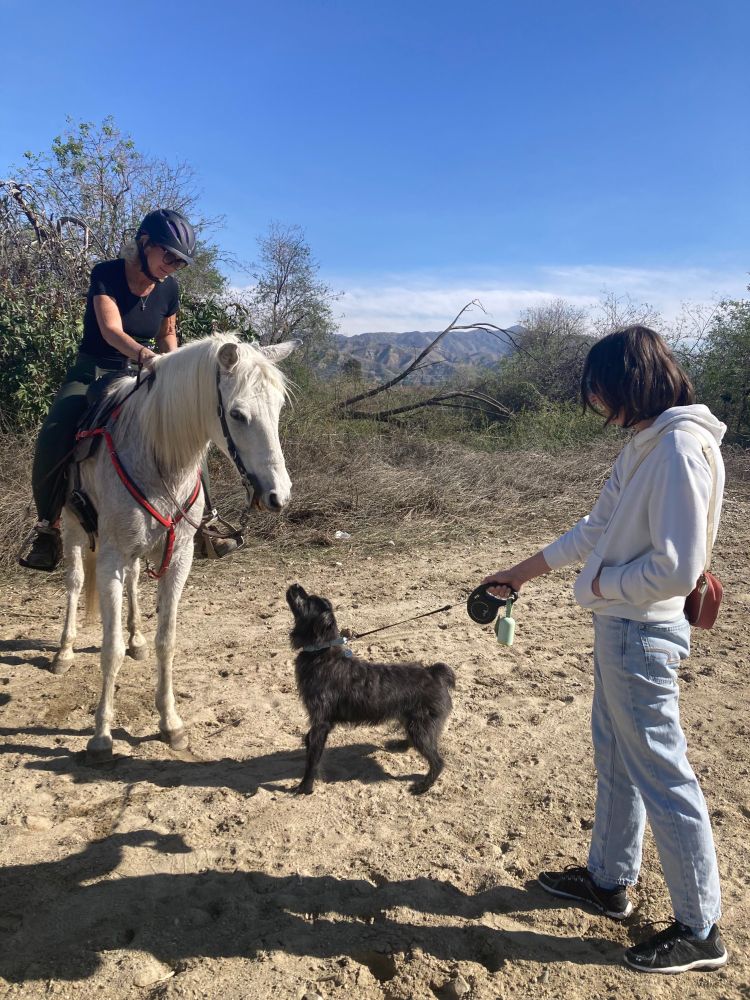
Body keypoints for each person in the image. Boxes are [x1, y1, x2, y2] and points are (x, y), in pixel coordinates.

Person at [482, 326, 728, 974]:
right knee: (617, 760)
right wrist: (521, 572)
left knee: (663, 775)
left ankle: (700, 929)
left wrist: (597, 584)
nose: (595, 403)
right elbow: (596, 527)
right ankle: (609, 881)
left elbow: (679, 567)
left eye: (599, 390)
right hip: (621, 629)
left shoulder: (677, 447)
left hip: (642, 632)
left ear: (629, 383)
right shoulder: (645, 444)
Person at [19, 208, 238, 571]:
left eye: (180, 262)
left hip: (145, 370)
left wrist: (176, 368)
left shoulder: (169, 288)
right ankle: (47, 529)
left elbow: (168, 332)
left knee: (192, 427)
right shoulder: (107, 273)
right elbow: (110, 330)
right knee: (55, 431)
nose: (173, 265)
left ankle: (208, 520)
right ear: (144, 243)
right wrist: (148, 357)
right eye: (168, 255)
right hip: (94, 369)